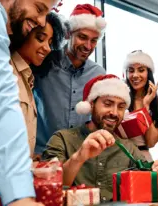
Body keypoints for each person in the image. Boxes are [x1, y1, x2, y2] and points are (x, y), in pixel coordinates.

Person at [42, 74, 158, 202]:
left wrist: (154, 173)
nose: (114, 112)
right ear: (91, 105)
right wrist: (78, 157)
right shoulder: (62, 139)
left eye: (120, 107)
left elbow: (144, 192)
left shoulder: (129, 148)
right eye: (108, 104)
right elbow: (49, 187)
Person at [0, 0, 58, 205]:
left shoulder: (29, 80)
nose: (41, 20)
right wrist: (18, 195)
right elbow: (2, 102)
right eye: (39, 8)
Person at [33, 4, 107, 154]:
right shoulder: (45, 61)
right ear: (68, 34)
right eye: (82, 37)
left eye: (94, 40)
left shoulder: (99, 74)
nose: (88, 46)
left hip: (80, 159)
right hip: (42, 155)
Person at [122, 50, 158, 161]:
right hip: (119, 156)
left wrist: (145, 107)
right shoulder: (120, 99)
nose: (135, 75)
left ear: (148, 74)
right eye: (131, 71)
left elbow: (151, 142)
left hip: (142, 158)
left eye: (141, 70)